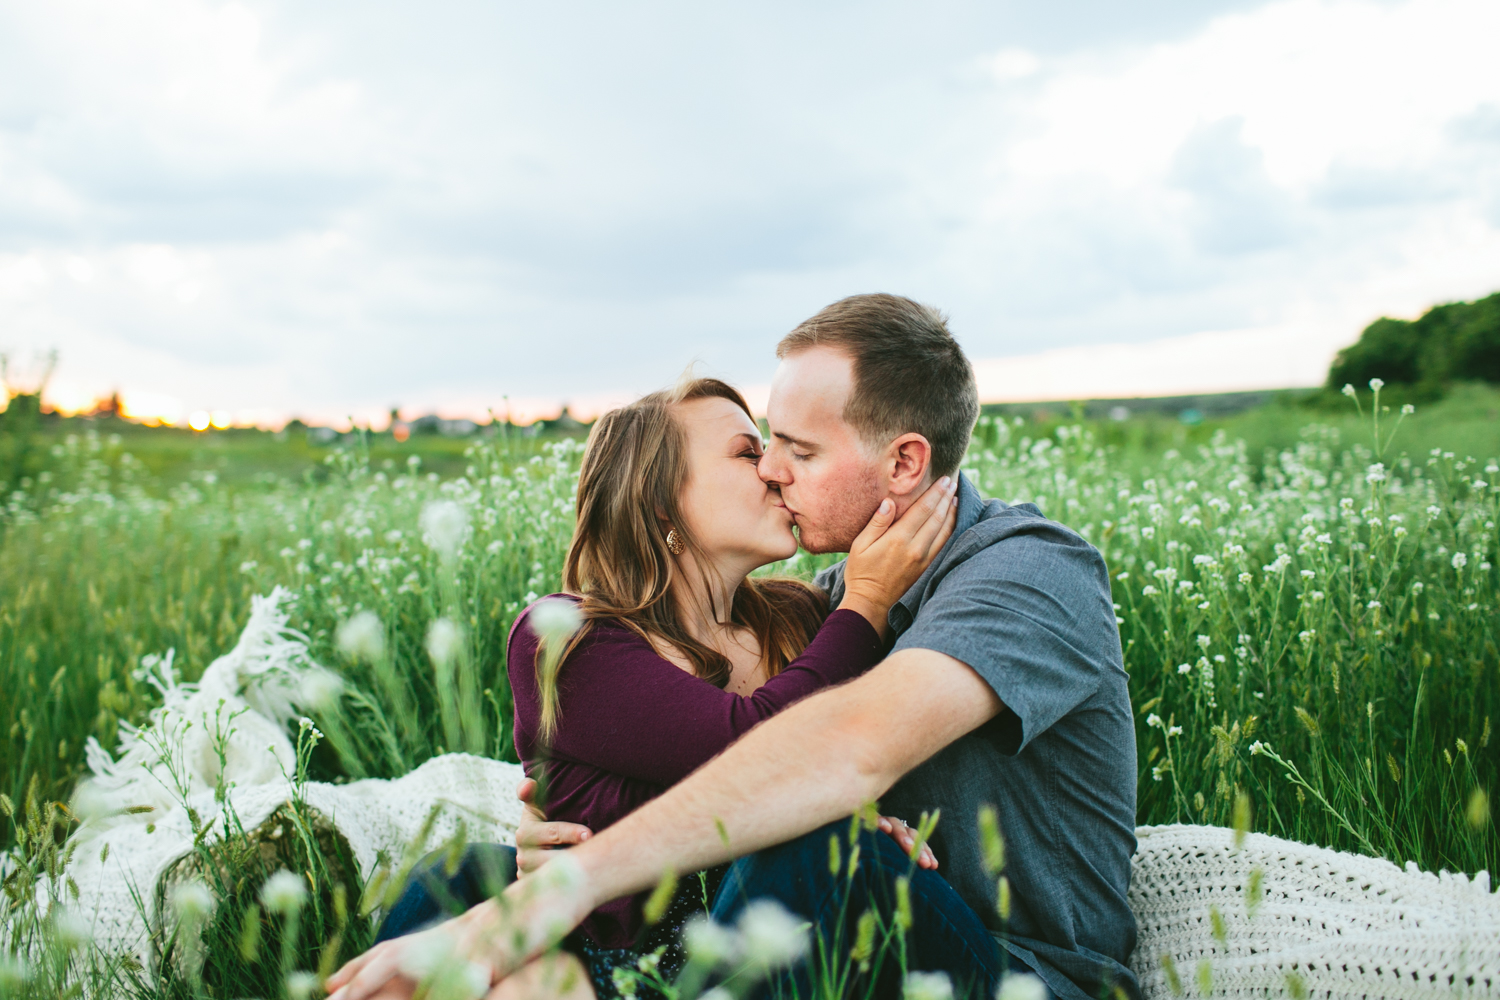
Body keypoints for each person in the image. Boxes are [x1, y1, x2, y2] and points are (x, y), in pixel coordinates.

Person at [329, 294, 1139, 1000]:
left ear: (903, 462)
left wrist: (570, 887)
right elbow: (742, 743)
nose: (775, 472)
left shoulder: (1029, 570)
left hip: (1013, 975)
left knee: (818, 848)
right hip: (837, 927)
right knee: (469, 876)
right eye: (761, 446)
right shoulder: (823, 604)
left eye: (799, 450)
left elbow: (838, 750)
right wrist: (576, 844)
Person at [361, 375, 957, 997]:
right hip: (621, 958)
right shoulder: (568, 640)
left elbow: (847, 752)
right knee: (453, 875)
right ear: (661, 498)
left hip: (761, 954)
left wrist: (866, 823)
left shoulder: (806, 619)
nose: (776, 470)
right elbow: (755, 748)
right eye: (748, 452)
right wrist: (866, 602)